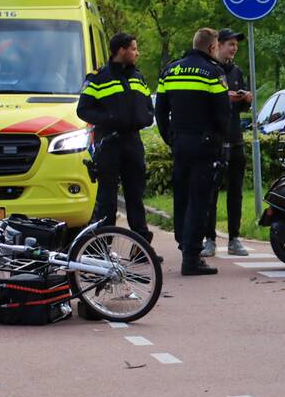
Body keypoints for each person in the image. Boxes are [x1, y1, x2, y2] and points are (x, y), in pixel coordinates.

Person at [155, 28, 231, 276]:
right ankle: (192, 257)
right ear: (211, 47)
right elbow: (223, 113)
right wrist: (219, 140)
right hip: (204, 145)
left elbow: (160, 110)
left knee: (182, 196)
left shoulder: (171, 70)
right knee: (200, 200)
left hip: (180, 144)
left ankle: (183, 242)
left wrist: (170, 137)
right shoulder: (213, 72)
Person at [77, 32, 156, 253]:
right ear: (121, 50)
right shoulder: (98, 77)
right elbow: (83, 109)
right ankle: (101, 249)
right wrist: (111, 120)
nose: (137, 53)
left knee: (135, 197)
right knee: (107, 201)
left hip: (132, 142)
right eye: (133, 48)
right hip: (109, 144)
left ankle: (141, 249)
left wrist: (143, 118)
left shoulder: (137, 77)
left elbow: (149, 108)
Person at [202, 28, 252, 258]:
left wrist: (246, 100)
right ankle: (210, 238)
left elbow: (241, 108)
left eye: (236, 45)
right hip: (215, 140)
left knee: (236, 192)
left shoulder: (237, 72)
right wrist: (225, 98)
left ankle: (234, 238)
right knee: (211, 191)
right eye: (230, 44)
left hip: (235, 139)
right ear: (218, 45)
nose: (234, 48)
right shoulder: (209, 70)